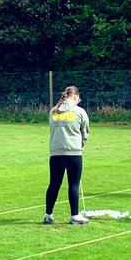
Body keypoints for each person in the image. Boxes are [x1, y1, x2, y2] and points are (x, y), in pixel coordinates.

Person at [44, 86, 90, 225]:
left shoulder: (53, 111)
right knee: (73, 184)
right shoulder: (80, 111)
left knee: (54, 184)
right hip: (73, 153)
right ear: (75, 97)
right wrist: (80, 144)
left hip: (56, 153)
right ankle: (75, 215)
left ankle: (48, 215)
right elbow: (85, 132)